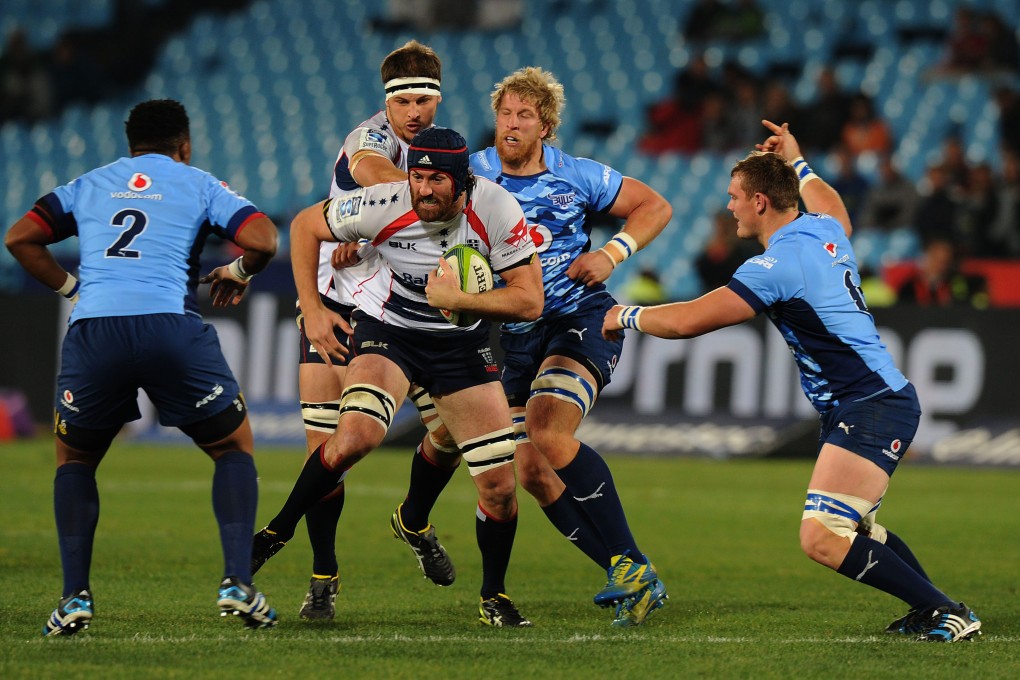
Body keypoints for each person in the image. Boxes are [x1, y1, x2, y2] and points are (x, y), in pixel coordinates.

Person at [602, 120, 983, 643]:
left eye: (734, 196)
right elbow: (836, 208)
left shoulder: (775, 264)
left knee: (822, 537)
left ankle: (946, 610)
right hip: (869, 399)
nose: (728, 206)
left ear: (760, 202)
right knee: (860, 529)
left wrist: (626, 316)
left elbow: (693, 319)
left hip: (869, 402)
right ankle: (933, 608)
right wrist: (800, 162)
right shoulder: (822, 229)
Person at [3, 99, 280, 635]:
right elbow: (264, 239)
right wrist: (240, 269)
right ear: (185, 144)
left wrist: (72, 288)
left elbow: (20, 237)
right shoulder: (198, 183)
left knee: (75, 461)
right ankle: (237, 584)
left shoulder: (88, 184)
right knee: (231, 447)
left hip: (95, 331)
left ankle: (74, 598)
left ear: (130, 145)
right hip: (169, 327)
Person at [252, 126, 544, 627]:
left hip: (460, 346)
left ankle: (493, 595)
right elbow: (304, 227)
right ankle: (275, 533)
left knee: (498, 486)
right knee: (356, 435)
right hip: (390, 331)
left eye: (436, 180)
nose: (424, 189)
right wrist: (314, 308)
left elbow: (530, 299)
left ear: (463, 182)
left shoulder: (497, 209)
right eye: (418, 176)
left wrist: (460, 301)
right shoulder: (384, 201)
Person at [471, 66, 673, 627]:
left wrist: (611, 253)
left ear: (546, 126)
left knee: (548, 430)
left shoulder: (577, 176)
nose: (511, 125)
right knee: (532, 472)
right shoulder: (470, 176)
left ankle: (630, 563)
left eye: (524, 116)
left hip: (576, 318)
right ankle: (630, 572)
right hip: (512, 334)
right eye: (505, 114)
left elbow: (655, 205)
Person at [265, 39, 456, 621]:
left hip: (407, 309)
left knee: (451, 432)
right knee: (326, 450)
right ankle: (323, 576)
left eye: (427, 100)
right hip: (338, 305)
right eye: (407, 101)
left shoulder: (439, 151)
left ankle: (414, 520)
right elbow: (373, 175)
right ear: (388, 102)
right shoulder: (370, 142)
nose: (417, 111)